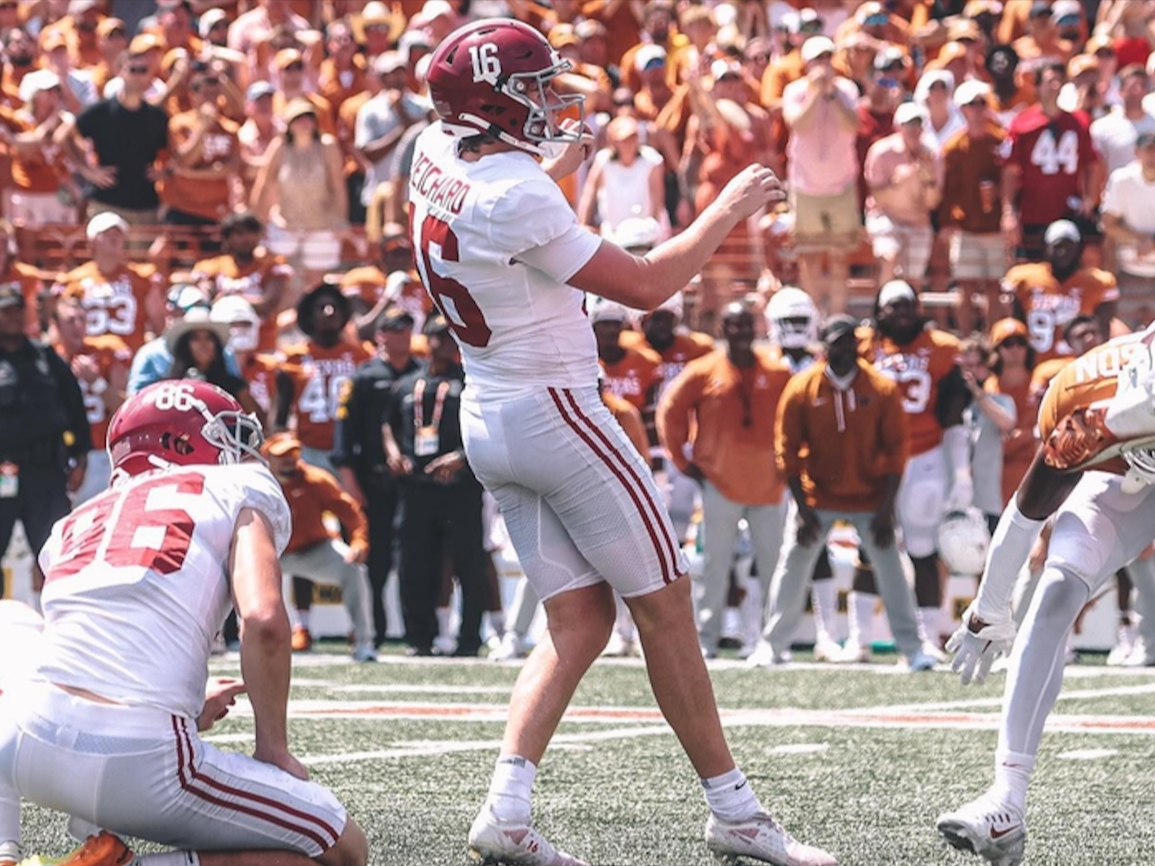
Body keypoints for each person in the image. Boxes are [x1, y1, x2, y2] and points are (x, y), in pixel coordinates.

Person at [413, 18, 835, 866]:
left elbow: (500, 217)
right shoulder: (517, 194)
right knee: (666, 603)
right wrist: (725, 207)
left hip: (488, 413)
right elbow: (643, 287)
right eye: (533, 89)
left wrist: (557, 166)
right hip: (557, 412)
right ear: (491, 103)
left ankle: (505, 809)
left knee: (578, 620)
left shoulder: (432, 149)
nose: (549, 101)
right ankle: (735, 810)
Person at [0, 380, 369, 866]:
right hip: (141, 761)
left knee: (10, 617)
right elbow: (263, 619)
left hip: (22, 748)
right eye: (227, 437)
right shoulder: (238, 487)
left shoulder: (73, 522)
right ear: (177, 439)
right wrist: (273, 750)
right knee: (342, 848)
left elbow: (95, 659)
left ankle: (5, 850)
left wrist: (189, 707)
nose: (242, 453)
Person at [936, 321, 1155, 865]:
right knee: (1056, 591)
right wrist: (989, 609)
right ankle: (1006, 800)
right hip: (1123, 481)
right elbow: (1026, 513)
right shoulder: (1083, 404)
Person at [754, 314, 933, 672]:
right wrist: (803, 510)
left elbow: (897, 451)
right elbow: (786, 451)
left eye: (850, 341)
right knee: (792, 565)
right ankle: (772, 645)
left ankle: (912, 649)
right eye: (838, 342)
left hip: (870, 497)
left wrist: (886, 510)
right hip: (816, 497)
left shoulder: (880, 388)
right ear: (824, 346)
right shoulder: (802, 387)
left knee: (892, 569)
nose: (846, 349)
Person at [656, 302, 792, 659]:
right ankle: (707, 637)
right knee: (716, 566)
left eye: (747, 324)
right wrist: (682, 460)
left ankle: (772, 641)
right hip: (719, 482)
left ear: (756, 327)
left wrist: (790, 463)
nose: (741, 332)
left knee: (773, 567)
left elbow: (796, 415)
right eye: (734, 325)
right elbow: (670, 411)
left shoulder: (777, 371)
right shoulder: (703, 370)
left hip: (768, 484)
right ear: (722, 329)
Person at [850, 281, 972, 660]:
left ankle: (926, 637)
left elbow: (954, 413)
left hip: (924, 457)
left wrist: (961, 472)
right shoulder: (862, 345)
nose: (902, 313)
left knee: (923, 548)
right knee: (868, 547)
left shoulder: (941, 348)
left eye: (908, 305)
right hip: (875, 460)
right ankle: (859, 638)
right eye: (894, 306)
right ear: (879, 311)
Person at [384, 314, 486, 657]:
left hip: (460, 486)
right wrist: (394, 453)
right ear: (426, 340)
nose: (444, 342)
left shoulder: (472, 382)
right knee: (414, 562)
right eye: (438, 336)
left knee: (468, 563)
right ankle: (419, 638)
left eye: (451, 336)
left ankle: (469, 639)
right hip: (416, 487)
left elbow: (487, 427)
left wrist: (461, 458)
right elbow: (388, 424)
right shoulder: (406, 384)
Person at [332, 306, 420, 647]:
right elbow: (343, 434)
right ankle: (373, 629)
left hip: (412, 481)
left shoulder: (421, 372)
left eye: (407, 329)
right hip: (371, 480)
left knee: (412, 556)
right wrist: (350, 483)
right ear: (381, 335)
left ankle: (416, 631)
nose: (403, 336)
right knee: (375, 560)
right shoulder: (363, 377)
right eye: (395, 329)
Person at [0, 282, 91, 601]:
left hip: (45, 473)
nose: (12, 318)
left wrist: (81, 458)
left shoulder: (45, 357)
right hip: (2, 471)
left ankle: (60, 621)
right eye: (5, 312)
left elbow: (74, 407)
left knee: (57, 553)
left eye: (17, 311)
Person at [263, 431, 378, 663]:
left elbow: (351, 512)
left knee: (353, 568)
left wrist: (358, 543)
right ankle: (232, 637)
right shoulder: (258, 483)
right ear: (267, 457)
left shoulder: (316, 480)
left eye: (293, 454)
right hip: (271, 552)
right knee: (233, 571)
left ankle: (364, 642)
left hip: (314, 549)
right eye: (281, 455)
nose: (288, 461)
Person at [55, 43, 169, 225]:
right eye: (133, 70)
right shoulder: (101, 111)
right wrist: (87, 171)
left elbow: (174, 151)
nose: (138, 76)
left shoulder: (157, 116)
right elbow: (62, 136)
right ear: (120, 71)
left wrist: (166, 171)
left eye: (143, 70)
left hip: (145, 206)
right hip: (106, 203)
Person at [48, 291, 130, 505]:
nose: (78, 326)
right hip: (62, 453)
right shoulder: (47, 358)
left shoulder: (105, 352)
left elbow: (125, 408)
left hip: (100, 452)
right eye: (70, 320)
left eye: (82, 319)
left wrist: (96, 382)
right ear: (55, 324)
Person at [999, 219, 1118, 363]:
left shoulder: (1097, 282)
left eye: (1068, 246)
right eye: (1057, 246)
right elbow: (1014, 325)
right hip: (1036, 365)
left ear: (1079, 249)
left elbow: (1104, 329)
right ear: (1046, 247)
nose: (1063, 252)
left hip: (1078, 365)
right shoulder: (1023, 278)